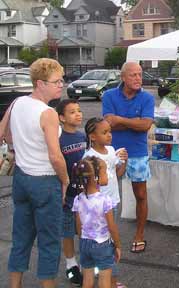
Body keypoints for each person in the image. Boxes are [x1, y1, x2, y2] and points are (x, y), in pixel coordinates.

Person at [5, 58, 69, 288]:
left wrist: (19, 146)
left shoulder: (18, 102)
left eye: (62, 80)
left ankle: (14, 285)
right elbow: (55, 156)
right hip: (44, 180)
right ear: (40, 83)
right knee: (49, 241)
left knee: (20, 237)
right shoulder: (48, 113)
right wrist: (65, 180)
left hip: (22, 179)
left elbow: (4, 133)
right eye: (56, 81)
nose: (61, 84)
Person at [102, 62, 154, 253]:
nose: (138, 78)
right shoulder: (109, 95)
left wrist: (120, 120)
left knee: (140, 195)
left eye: (140, 75)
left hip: (137, 153)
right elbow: (106, 125)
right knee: (106, 196)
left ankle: (139, 235)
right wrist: (135, 123)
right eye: (133, 75)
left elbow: (146, 126)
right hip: (111, 154)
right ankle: (105, 235)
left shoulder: (147, 98)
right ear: (122, 77)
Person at [83, 117, 128, 288]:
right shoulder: (89, 157)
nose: (109, 135)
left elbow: (117, 174)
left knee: (101, 243)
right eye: (104, 132)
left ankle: (105, 277)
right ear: (92, 136)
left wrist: (124, 160)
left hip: (112, 201)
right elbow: (87, 186)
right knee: (108, 245)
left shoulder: (110, 150)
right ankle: (111, 281)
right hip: (100, 207)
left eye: (110, 131)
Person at [72, 156, 122, 288]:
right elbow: (112, 227)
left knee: (87, 280)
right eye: (105, 172)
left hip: (84, 242)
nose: (108, 175)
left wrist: (82, 239)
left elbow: (78, 225)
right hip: (102, 244)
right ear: (95, 178)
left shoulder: (78, 199)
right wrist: (117, 245)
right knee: (104, 280)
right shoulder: (105, 200)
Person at [56, 99, 86, 286]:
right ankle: (71, 265)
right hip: (67, 196)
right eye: (72, 112)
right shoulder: (58, 140)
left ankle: (86, 264)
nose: (78, 114)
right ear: (61, 118)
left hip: (84, 195)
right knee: (67, 231)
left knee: (85, 230)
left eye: (79, 110)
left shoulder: (83, 136)